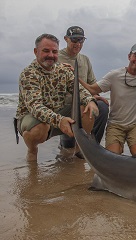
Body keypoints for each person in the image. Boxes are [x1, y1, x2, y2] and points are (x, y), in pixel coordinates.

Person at [15, 33, 98, 161]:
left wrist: (90, 100)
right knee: (39, 129)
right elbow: (35, 107)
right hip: (34, 119)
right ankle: (32, 150)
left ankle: (79, 149)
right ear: (36, 51)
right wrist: (59, 120)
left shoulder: (63, 70)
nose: (51, 55)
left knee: (88, 109)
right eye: (46, 51)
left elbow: (79, 90)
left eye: (55, 51)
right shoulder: (29, 74)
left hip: (59, 113)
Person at [80, 44, 136, 155]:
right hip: (115, 125)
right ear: (129, 56)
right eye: (135, 56)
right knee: (113, 158)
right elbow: (91, 89)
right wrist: (74, 77)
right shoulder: (114, 75)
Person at [58, 26, 109, 152]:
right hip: (64, 106)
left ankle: (91, 147)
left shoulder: (85, 60)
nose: (78, 44)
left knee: (102, 106)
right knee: (67, 147)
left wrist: (95, 96)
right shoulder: (56, 58)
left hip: (84, 102)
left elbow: (92, 84)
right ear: (66, 39)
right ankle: (69, 141)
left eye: (81, 40)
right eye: (74, 40)